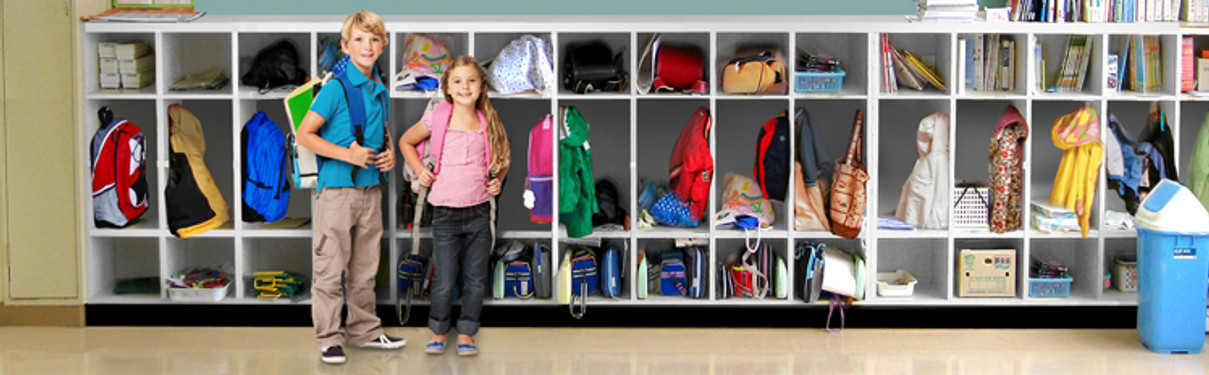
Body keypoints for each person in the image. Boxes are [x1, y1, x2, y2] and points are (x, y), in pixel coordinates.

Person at [295, 10, 404, 365]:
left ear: (383, 45)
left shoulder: (378, 87)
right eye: (358, 39)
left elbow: (379, 132)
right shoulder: (335, 88)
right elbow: (304, 135)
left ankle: (365, 331)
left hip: (371, 191)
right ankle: (329, 338)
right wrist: (348, 155)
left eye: (373, 39)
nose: (367, 46)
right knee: (330, 267)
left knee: (365, 269)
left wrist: (388, 155)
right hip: (339, 193)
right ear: (344, 46)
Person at [398, 55, 511, 356]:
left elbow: (504, 158)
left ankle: (466, 334)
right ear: (447, 87)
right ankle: (438, 331)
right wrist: (420, 169)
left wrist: (498, 180)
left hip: (479, 214)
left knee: (475, 279)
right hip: (445, 214)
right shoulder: (437, 117)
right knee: (444, 279)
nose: (465, 87)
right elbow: (406, 142)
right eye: (457, 81)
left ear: (481, 86)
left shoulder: (489, 119)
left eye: (471, 80)